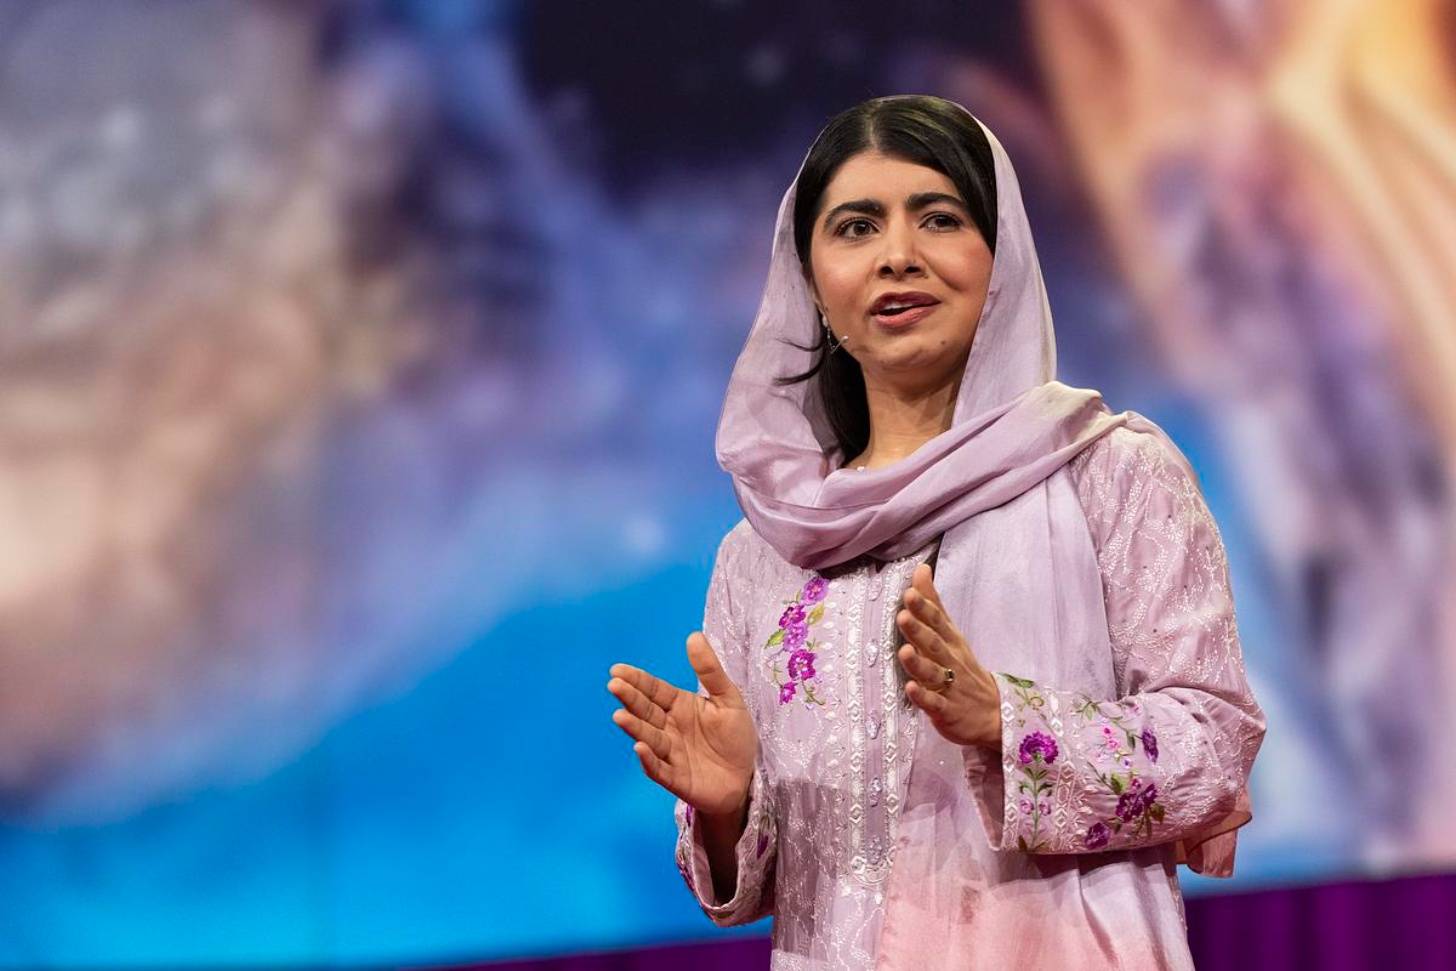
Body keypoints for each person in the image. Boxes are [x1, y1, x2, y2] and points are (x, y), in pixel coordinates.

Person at [606, 94, 1266, 970]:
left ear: (1000, 257)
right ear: (810, 282)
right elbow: (757, 882)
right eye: (855, 227)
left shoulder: (1108, 471)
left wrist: (1008, 721)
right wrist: (728, 807)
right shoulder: (766, 548)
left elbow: (1212, 745)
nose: (897, 257)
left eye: (940, 218)